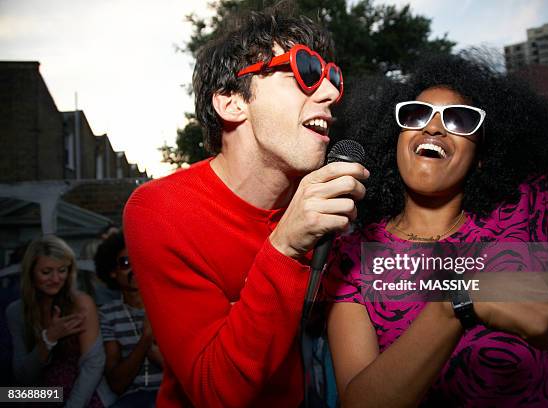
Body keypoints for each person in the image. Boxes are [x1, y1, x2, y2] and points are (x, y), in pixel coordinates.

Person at [325, 54, 548, 407]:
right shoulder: (352, 257)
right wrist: (458, 300)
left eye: (460, 120)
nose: (433, 127)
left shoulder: (521, 212)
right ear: (395, 139)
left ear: (482, 157)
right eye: (417, 114)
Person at [123, 7, 367, 407]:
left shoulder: (327, 206)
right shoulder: (160, 211)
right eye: (304, 71)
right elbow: (212, 391)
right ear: (232, 102)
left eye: (333, 78)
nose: (330, 93)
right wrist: (284, 247)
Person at [5, 235, 115, 407]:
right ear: (31, 273)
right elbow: (23, 376)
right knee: (6, 395)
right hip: (45, 392)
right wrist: (48, 339)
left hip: (82, 390)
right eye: (46, 272)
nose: (56, 279)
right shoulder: (16, 311)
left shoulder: (81, 304)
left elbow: (93, 366)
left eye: (62, 270)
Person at [95, 231, 163, 407]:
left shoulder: (167, 307)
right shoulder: (107, 315)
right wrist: (146, 339)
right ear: (112, 272)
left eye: (140, 261)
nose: (135, 269)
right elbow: (117, 384)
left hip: (171, 397)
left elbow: (189, 374)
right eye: (126, 263)